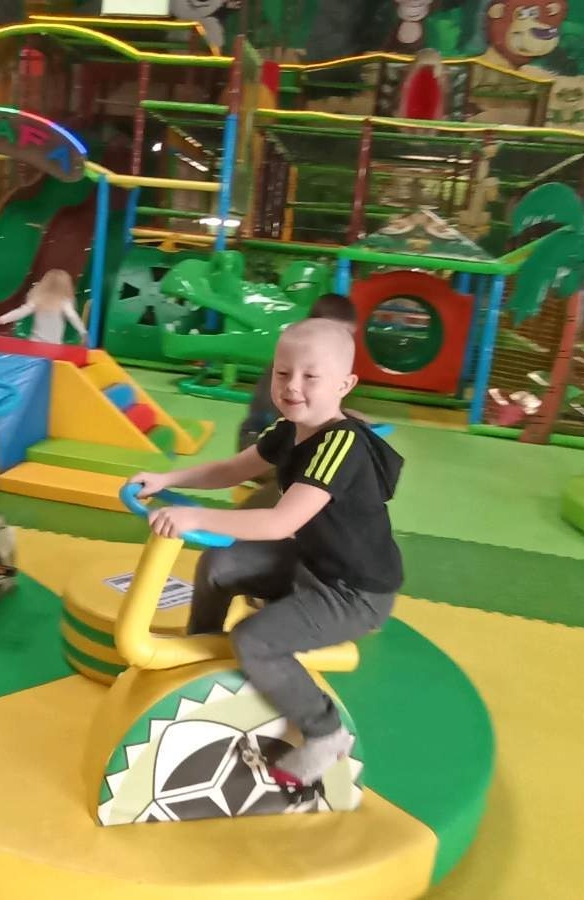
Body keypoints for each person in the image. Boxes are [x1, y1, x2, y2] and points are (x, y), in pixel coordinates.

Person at [126, 318, 404, 789]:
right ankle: (199, 654)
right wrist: (167, 480)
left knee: (255, 640)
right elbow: (233, 469)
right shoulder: (289, 428)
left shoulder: (341, 445)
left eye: (310, 376)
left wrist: (195, 518)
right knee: (220, 565)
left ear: (344, 385)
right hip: (309, 562)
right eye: (282, 373)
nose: (292, 386)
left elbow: (280, 523)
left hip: (353, 592)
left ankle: (326, 733)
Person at [239, 294, 370, 509]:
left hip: (285, 441)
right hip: (259, 439)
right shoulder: (288, 376)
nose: (338, 344)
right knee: (306, 473)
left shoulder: (324, 372)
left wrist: (347, 416)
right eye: (329, 335)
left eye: (346, 336)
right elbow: (293, 418)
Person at [0, 269, 88, 344]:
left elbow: (20, 312)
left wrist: (0, 320)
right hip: (54, 345)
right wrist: (83, 332)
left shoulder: (38, 300)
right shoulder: (64, 302)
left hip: (35, 342)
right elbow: (72, 316)